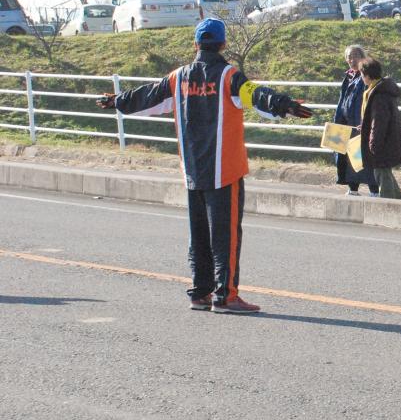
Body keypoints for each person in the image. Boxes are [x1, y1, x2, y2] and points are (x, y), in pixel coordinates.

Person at [96, 18, 313, 314]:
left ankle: (200, 292)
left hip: (193, 170)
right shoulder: (228, 76)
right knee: (226, 236)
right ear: (223, 44)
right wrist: (284, 104)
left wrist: (116, 100)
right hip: (225, 169)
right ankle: (225, 296)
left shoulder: (179, 77)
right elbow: (257, 94)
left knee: (198, 234)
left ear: (196, 44)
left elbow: (146, 97)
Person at [357, 57, 401, 200]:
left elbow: (378, 122)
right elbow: (374, 119)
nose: (361, 78)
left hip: (383, 140)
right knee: (384, 171)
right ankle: (397, 198)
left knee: (381, 172)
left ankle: (388, 205)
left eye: (362, 74)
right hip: (387, 138)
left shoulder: (378, 95)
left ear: (367, 75)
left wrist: (374, 143)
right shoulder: (380, 90)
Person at [334, 44, 378, 196]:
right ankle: (353, 188)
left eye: (355, 56)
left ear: (362, 58)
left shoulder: (367, 76)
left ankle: (374, 190)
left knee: (366, 157)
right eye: (349, 57)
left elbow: (372, 100)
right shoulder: (349, 76)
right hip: (347, 123)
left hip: (361, 123)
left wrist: (366, 122)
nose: (352, 60)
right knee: (349, 157)